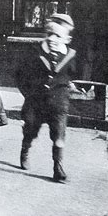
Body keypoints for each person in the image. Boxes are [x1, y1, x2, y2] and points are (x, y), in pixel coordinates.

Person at [16, 14, 77, 183]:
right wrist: (28, 94)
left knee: (59, 134)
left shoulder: (70, 56)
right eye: (48, 34)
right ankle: (25, 149)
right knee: (30, 130)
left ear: (67, 39)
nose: (52, 38)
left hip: (59, 103)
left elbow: (73, 74)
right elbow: (20, 75)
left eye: (57, 35)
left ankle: (58, 167)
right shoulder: (35, 53)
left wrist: (68, 86)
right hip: (35, 102)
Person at [71, 0, 108, 84]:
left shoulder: (98, 4)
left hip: (92, 37)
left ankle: (85, 84)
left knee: (88, 60)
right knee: (81, 59)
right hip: (81, 35)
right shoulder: (79, 1)